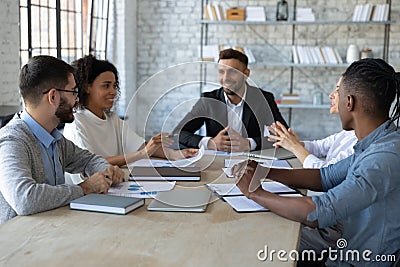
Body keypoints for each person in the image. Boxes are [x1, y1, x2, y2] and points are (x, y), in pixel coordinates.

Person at [233, 58, 400, 266]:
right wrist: (264, 171)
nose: (334, 98)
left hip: (362, 261)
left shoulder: (382, 158)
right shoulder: (377, 142)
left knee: (260, 245)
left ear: (349, 102)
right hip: (348, 248)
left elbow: (318, 212)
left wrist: (254, 193)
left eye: (338, 94)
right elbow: (325, 176)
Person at [0, 55, 124, 224]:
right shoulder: (12, 141)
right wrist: (85, 188)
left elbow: (88, 160)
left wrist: (107, 170)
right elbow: (24, 199)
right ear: (53, 97)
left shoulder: (54, 138)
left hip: (52, 231)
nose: (77, 99)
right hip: (22, 244)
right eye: (73, 92)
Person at [63, 55, 197, 171]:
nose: (113, 91)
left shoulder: (112, 119)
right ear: (87, 87)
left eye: (114, 85)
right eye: (106, 85)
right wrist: (143, 154)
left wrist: (175, 154)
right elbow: (91, 164)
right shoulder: (77, 122)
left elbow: (139, 145)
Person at [173, 48, 288, 152]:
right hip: (217, 164)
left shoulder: (263, 99)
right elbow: (178, 133)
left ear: (246, 74)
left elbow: (284, 137)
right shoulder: (208, 100)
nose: (226, 78)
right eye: (221, 72)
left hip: (252, 164)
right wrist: (210, 143)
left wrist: (249, 144)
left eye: (233, 71)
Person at [268, 76, 357, 168]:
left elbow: (325, 173)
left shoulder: (359, 144)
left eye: (338, 90)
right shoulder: (348, 133)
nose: (331, 95)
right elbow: (318, 147)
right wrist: (291, 141)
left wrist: (294, 146)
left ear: (350, 100)